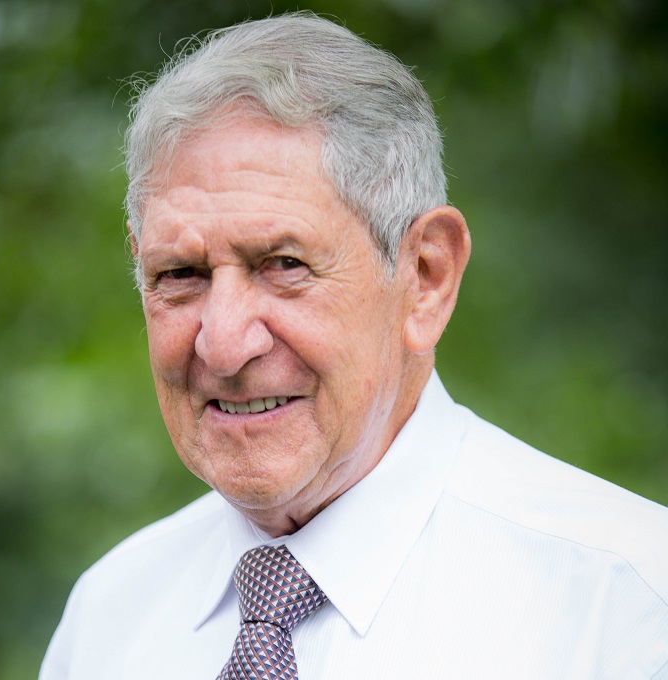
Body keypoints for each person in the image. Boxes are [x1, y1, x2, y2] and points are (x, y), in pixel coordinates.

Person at [40, 12, 668, 679]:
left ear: (425, 277)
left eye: (283, 264)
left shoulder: (626, 605)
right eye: (180, 274)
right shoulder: (109, 620)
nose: (223, 345)